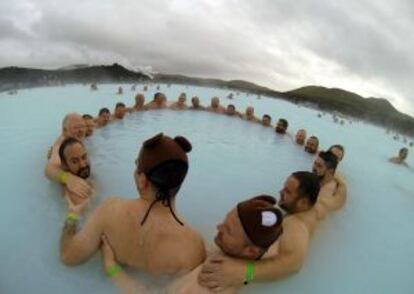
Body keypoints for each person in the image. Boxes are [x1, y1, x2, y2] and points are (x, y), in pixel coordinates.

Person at [59, 133, 206, 276]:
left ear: (143, 180)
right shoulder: (195, 245)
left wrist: (72, 215)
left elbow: (68, 257)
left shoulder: (110, 210)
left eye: (136, 165)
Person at [198, 171, 332, 290]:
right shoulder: (320, 206)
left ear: (303, 203)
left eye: (287, 192)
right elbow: (338, 198)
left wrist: (244, 272)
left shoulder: (295, 224)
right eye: (284, 187)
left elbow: (293, 265)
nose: (280, 192)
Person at [45, 113, 92, 200]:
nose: (81, 130)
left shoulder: (77, 137)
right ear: (64, 130)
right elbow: (49, 169)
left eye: (82, 126)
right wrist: (68, 178)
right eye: (76, 127)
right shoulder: (60, 145)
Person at [59, 138, 95, 206]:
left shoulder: (84, 179)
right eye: (74, 161)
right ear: (65, 165)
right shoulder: (75, 193)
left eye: (84, 157)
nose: (83, 165)